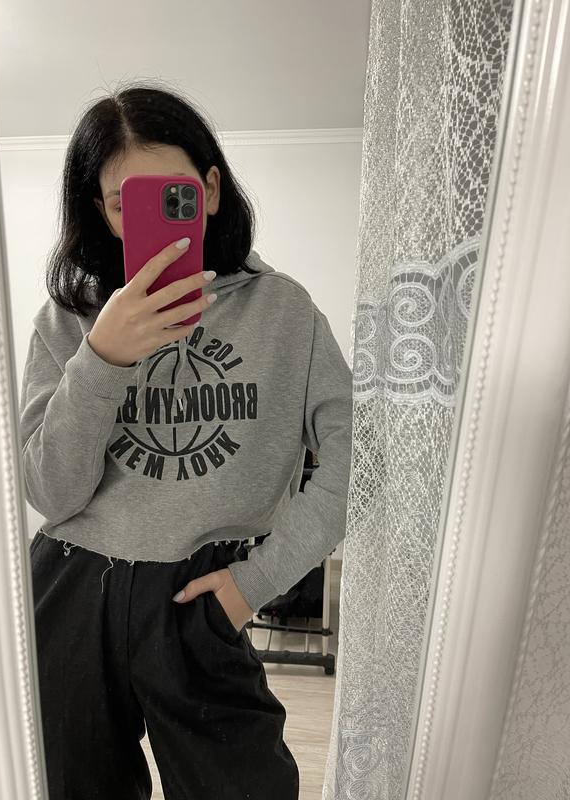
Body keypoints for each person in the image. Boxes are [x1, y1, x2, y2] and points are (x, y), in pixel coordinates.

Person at [20, 82, 353, 800]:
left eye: (175, 194)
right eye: (124, 202)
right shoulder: (70, 317)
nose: (153, 217)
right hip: (73, 588)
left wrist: (254, 584)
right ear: (100, 211)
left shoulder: (284, 311)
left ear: (211, 188)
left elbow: (353, 464)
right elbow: (50, 491)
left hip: (203, 592)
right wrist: (101, 358)